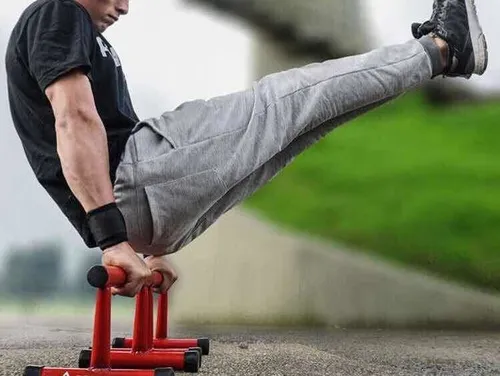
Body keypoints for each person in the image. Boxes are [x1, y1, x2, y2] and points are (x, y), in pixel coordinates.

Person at [5, 0, 488, 298]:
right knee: (287, 98)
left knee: (305, 119)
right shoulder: (57, 13)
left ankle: (436, 57)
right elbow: (74, 119)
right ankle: (443, 48)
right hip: (132, 185)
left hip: (141, 207)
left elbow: (94, 130)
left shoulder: (78, 31)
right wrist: (114, 239)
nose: (126, 7)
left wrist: (141, 247)